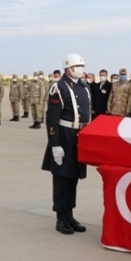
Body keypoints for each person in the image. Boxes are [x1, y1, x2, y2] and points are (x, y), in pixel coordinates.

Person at [41, 53, 91, 235]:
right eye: (77, 66)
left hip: (79, 136)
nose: (81, 69)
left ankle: (70, 214)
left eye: (82, 66)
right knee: (62, 178)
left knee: (73, 177)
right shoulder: (59, 87)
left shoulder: (84, 87)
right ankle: (61, 217)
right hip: (64, 135)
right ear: (67, 68)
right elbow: (52, 118)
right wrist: (55, 144)